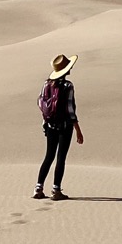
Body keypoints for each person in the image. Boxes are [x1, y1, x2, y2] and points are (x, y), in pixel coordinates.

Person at [34, 53, 83, 200]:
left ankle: (38, 188)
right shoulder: (68, 86)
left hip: (50, 125)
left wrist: (45, 123)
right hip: (64, 126)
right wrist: (78, 130)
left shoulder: (46, 84)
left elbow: (41, 104)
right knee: (61, 157)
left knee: (48, 156)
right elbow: (70, 110)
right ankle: (56, 190)